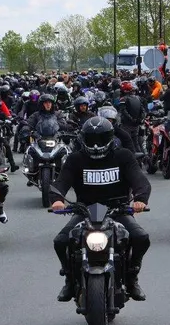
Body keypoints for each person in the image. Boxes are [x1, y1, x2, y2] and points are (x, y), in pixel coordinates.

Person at [49, 117, 151, 301]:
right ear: (83, 139)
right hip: (85, 211)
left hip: (117, 211)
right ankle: (70, 281)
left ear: (111, 138)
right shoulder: (75, 159)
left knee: (141, 238)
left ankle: (132, 279)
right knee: (61, 241)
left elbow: (140, 180)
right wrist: (57, 199)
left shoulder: (124, 156)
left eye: (101, 139)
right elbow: (61, 182)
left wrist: (140, 200)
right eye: (91, 139)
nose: (96, 145)